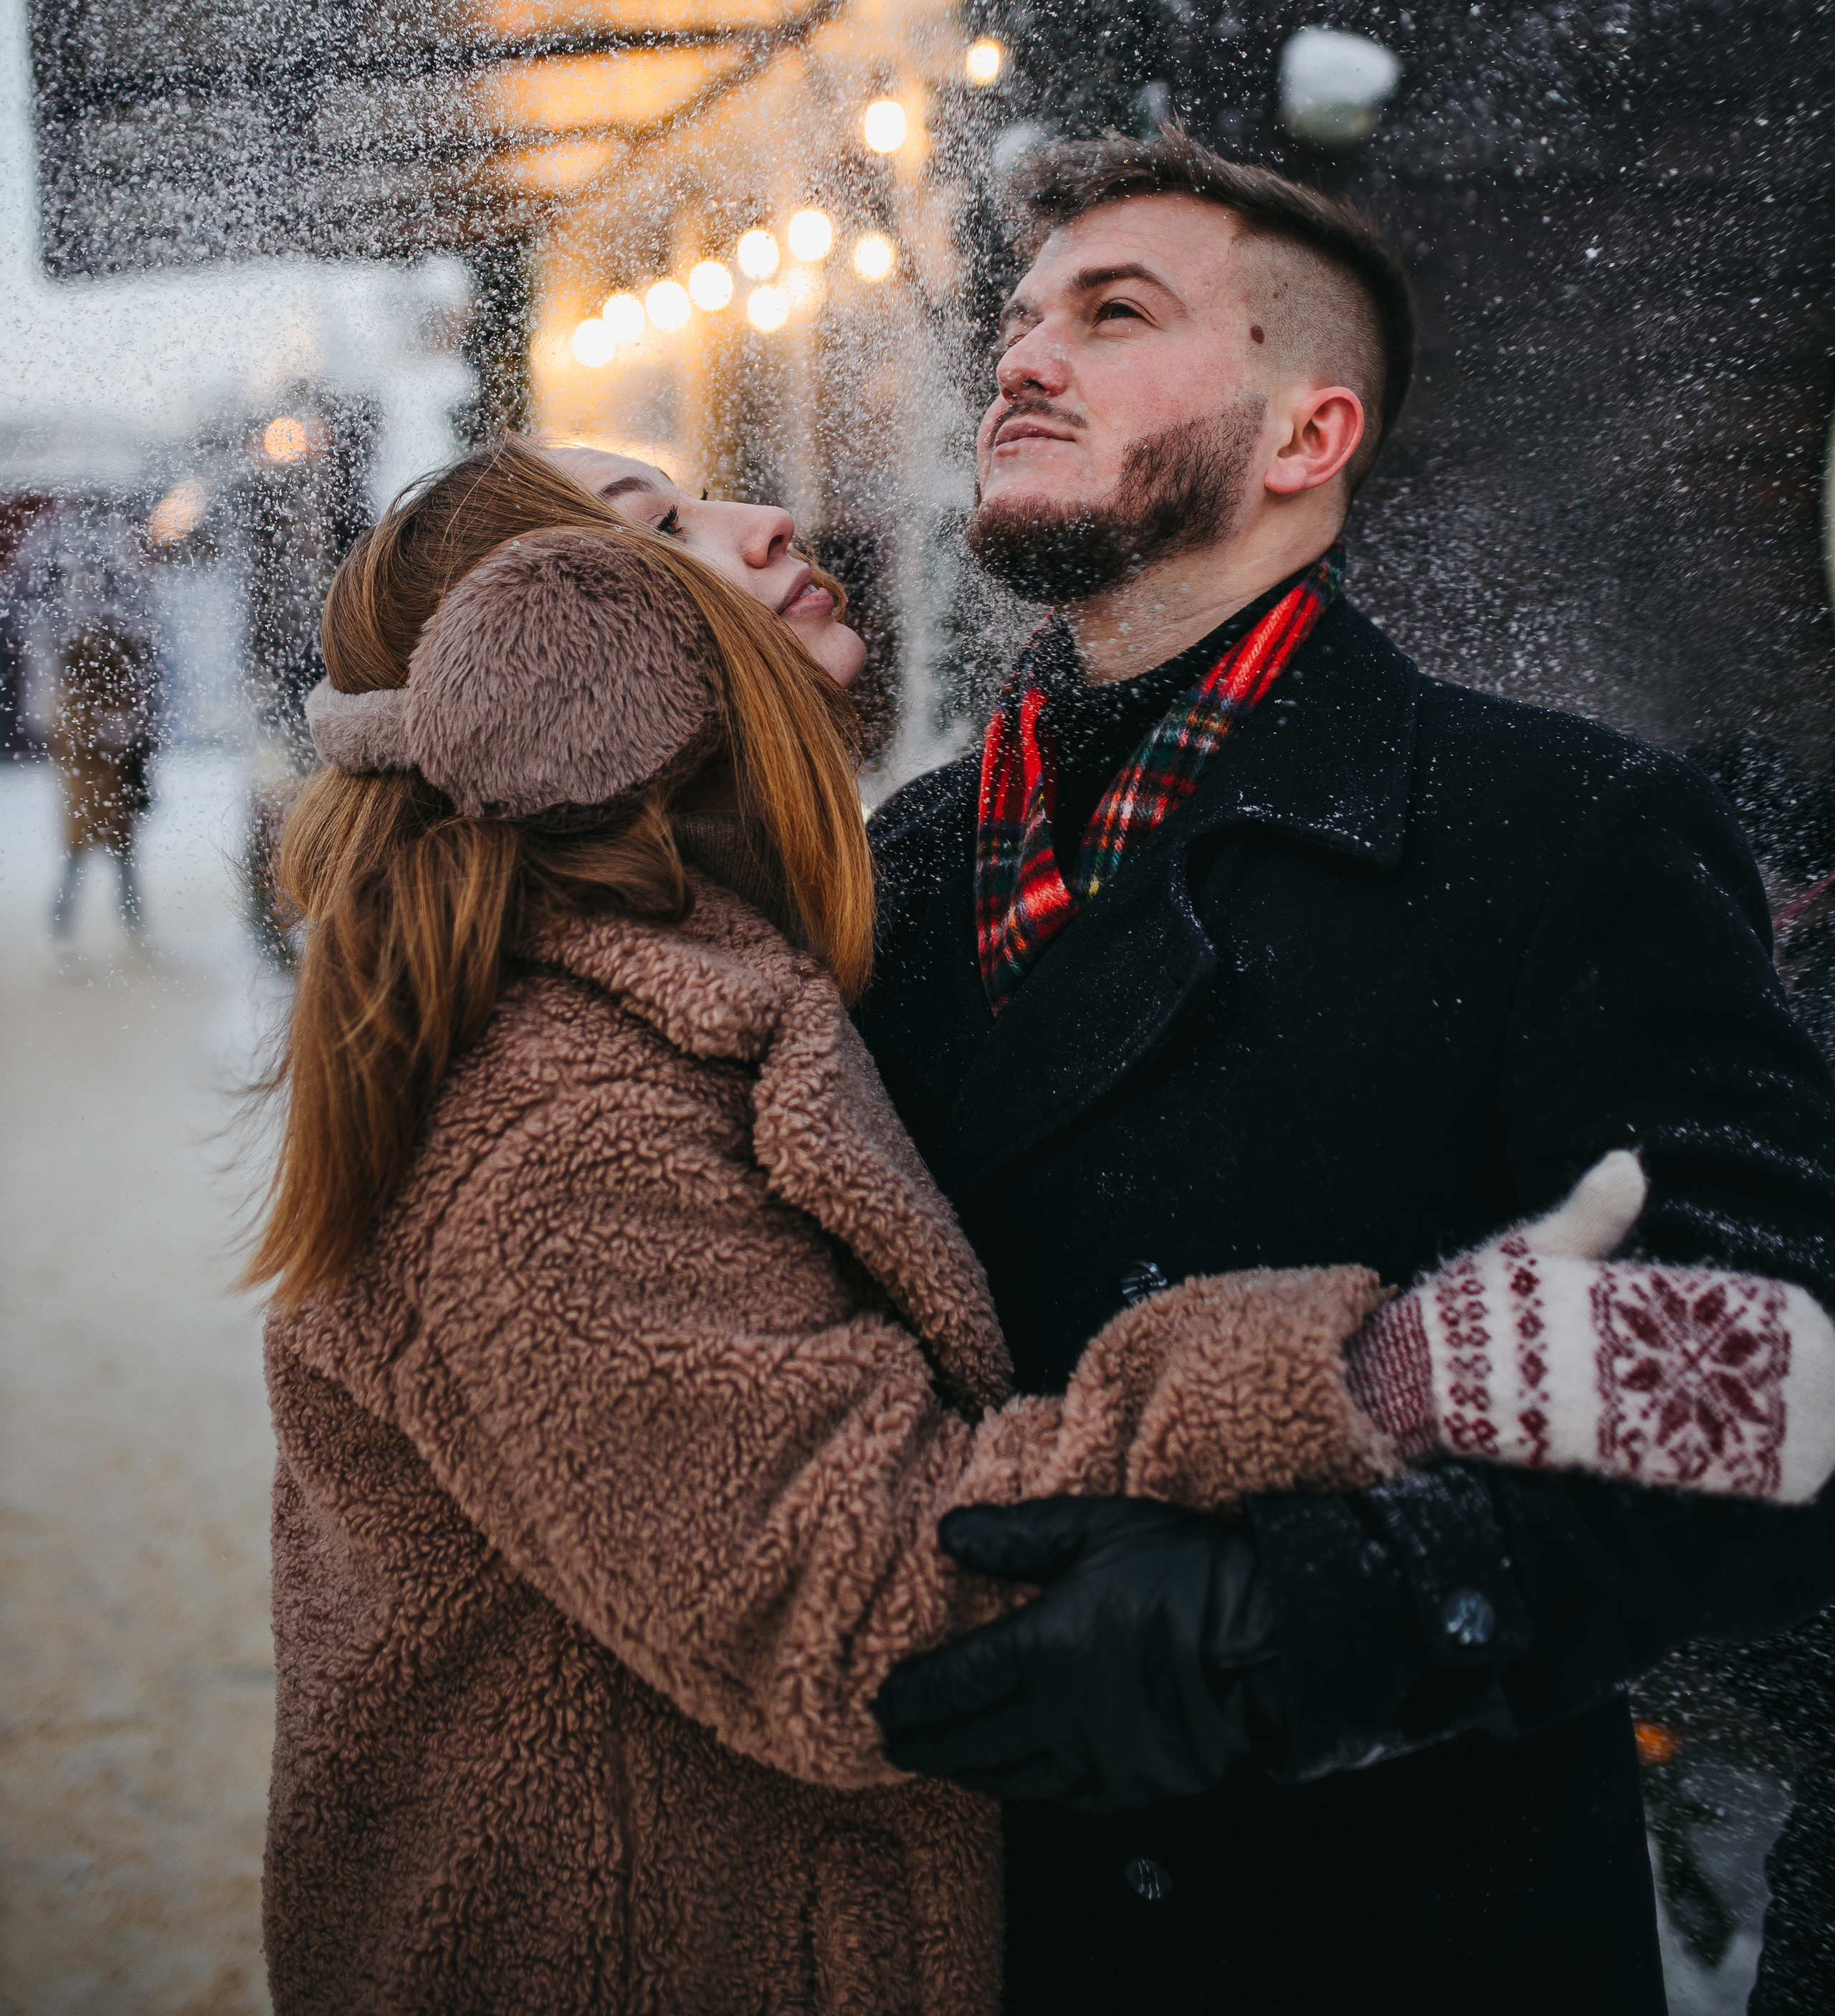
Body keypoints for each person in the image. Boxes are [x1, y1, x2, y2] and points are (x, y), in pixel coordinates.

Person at [252, 435, 1444, 2013]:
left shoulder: (698, 991)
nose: (766, 521)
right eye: (661, 525)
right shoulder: (546, 1120)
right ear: (540, 662)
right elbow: (863, 1597)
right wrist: (1391, 1372)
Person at [862, 129, 1835, 2016]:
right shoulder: (900, 868)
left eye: (1113, 315)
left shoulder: (1559, 833)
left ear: (1307, 436)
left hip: (1395, 1927)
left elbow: (1775, 1386)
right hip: (968, 1925)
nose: (1023, 359)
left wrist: (1310, 1617)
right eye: (1020, 320)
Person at [48, 618, 156, 937]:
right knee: (93, 864)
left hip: (102, 798)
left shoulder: (86, 699)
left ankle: (122, 923)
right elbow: (80, 744)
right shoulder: (84, 702)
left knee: (104, 864)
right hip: (96, 797)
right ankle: (69, 925)